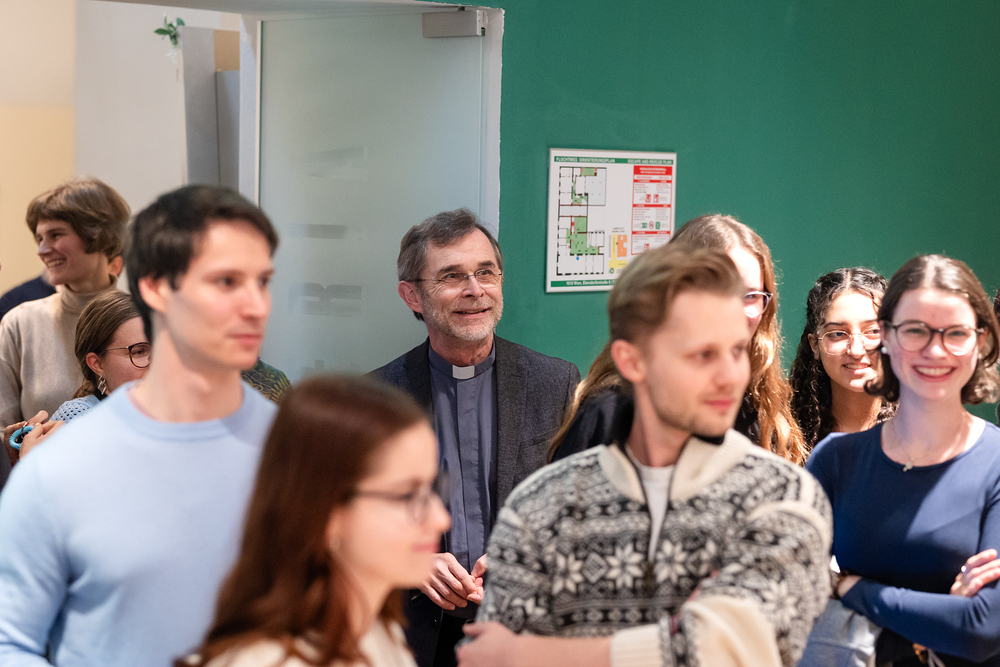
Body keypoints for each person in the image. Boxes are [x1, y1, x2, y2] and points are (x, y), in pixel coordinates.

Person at [459, 244, 832, 667]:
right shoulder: (541, 507)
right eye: (702, 355)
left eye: (735, 351)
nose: (730, 376)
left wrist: (538, 653)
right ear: (632, 361)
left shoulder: (784, 497)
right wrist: (683, 635)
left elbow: (737, 649)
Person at [0, 185, 280, 667]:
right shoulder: (61, 458)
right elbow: (13, 640)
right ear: (155, 290)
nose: (255, 305)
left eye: (263, 281)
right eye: (225, 282)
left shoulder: (288, 443)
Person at [371, 207, 580, 667]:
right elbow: (344, 522)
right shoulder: (376, 398)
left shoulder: (555, 384)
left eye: (486, 272)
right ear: (412, 295)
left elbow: (581, 512)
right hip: (413, 636)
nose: (474, 290)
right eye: (452, 276)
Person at [807, 254, 1000, 665]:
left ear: (981, 341)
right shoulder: (835, 460)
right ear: (889, 339)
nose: (935, 350)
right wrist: (937, 617)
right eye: (915, 331)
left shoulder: (996, 462)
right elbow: (791, 591)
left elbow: (981, 628)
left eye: (956, 332)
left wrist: (849, 588)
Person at [182, 375, 451, 667]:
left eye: (432, 489)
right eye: (408, 496)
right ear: (325, 511)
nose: (440, 519)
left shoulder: (379, 633)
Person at [550, 213, 806, 465]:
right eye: (719, 293)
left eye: (750, 296)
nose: (734, 312)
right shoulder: (616, 412)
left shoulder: (761, 405)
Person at [0, 177, 129, 429]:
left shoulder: (148, 320)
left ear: (98, 235)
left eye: (56, 235)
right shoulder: (19, 324)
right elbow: (4, 431)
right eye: (39, 239)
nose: (42, 250)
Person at [789, 267, 896, 449]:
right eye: (838, 334)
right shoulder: (781, 431)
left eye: (873, 331)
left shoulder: (923, 426)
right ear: (815, 345)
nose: (856, 350)